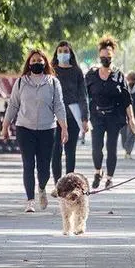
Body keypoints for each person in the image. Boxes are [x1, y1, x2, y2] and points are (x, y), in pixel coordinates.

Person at [1, 49, 69, 213]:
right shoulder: (21, 82)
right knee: (28, 164)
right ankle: (30, 200)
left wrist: (64, 128)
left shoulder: (53, 82)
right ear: (28, 64)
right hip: (25, 128)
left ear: (45, 62)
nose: (37, 63)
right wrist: (5, 126)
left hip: (47, 129)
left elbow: (59, 106)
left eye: (40, 60)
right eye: (33, 61)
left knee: (44, 167)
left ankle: (42, 188)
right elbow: (13, 105)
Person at [85, 35, 135, 189]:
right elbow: (84, 96)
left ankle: (109, 177)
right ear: (99, 56)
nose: (105, 58)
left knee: (111, 147)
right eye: (103, 56)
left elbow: (127, 99)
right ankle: (98, 171)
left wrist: (132, 119)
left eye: (108, 56)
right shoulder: (91, 75)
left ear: (113, 56)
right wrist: (83, 117)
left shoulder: (119, 76)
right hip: (97, 116)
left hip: (114, 116)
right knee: (96, 147)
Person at [50, 41, 90, 196]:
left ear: (70, 53)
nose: (62, 53)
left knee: (70, 151)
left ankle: (70, 186)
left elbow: (83, 95)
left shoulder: (77, 71)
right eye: (60, 50)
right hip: (55, 116)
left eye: (65, 50)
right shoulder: (52, 71)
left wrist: (85, 118)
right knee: (55, 151)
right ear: (56, 53)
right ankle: (58, 185)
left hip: (73, 115)